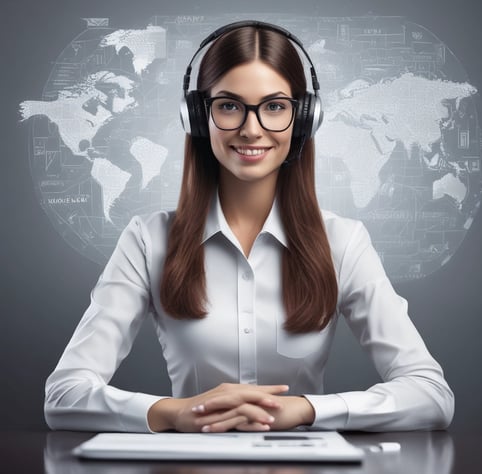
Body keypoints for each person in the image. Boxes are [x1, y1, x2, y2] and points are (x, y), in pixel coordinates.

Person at [45, 21, 454, 433]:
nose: (251, 128)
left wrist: (307, 410)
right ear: (198, 117)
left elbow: (431, 394)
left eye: (275, 106)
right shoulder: (148, 240)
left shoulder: (342, 242)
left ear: (304, 118)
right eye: (229, 106)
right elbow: (64, 394)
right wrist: (175, 412)